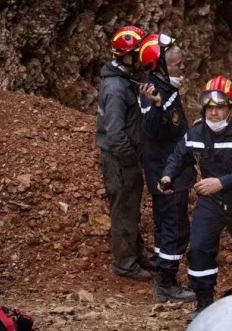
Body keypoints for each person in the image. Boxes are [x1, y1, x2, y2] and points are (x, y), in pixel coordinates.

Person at [160, 75, 232, 322]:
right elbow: (178, 156)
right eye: (210, 108)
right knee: (200, 249)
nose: (213, 113)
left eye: (220, 108)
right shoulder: (196, 131)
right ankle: (204, 303)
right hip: (212, 203)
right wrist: (167, 176)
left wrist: (221, 182)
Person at [138, 33, 196, 302]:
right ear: (159, 66)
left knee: (172, 226)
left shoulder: (167, 88)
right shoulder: (153, 93)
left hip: (176, 170)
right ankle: (166, 284)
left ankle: (166, 276)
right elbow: (150, 131)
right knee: (173, 228)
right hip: (166, 174)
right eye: (176, 65)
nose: (181, 69)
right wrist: (158, 106)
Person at [95, 26, 152, 281]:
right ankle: (125, 264)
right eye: (138, 53)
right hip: (120, 160)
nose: (142, 58)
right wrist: (131, 161)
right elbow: (115, 133)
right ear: (125, 55)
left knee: (130, 208)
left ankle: (136, 254)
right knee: (124, 210)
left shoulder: (125, 80)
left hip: (124, 157)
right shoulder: (116, 88)